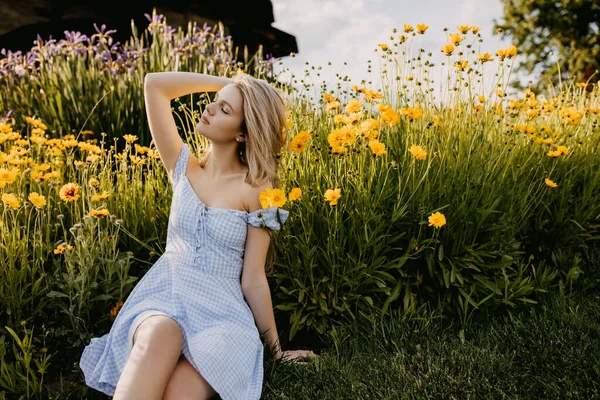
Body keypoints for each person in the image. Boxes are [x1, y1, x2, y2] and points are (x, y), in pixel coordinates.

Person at [79, 71, 319, 400]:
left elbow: (254, 277)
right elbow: (154, 85)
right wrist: (228, 82)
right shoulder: (182, 166)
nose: (209, 108)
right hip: (165, 297)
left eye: (225, 110)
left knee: (177, 392)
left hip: (222, 317)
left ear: (243, 134)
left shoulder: (262, 189)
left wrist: (276, 351)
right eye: (215, 102)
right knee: (162, 332)